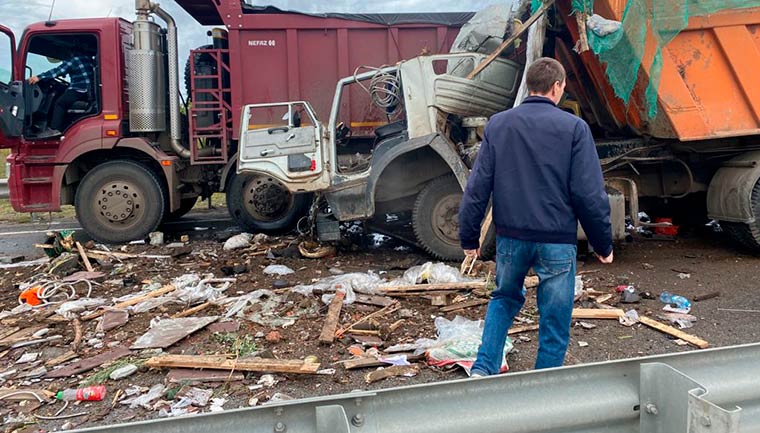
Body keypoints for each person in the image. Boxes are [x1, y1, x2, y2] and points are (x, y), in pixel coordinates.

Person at [459, 57, 614, 375]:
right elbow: (588, 194)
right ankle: (544, 387)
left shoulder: (499, 125)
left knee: (503, 298)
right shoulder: (574, 128)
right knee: (555, 317)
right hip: (557, 241)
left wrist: (469, 237)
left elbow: (477, 187)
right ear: (557, 87)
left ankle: (483, 369)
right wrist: (602, 244)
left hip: (511, 239)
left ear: (530, 86)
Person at [27, 52, 95, 137]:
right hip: (91, 91)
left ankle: (54, 129)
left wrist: (39, 77)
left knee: (60, 103)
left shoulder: (74, 60)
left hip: (80, 89)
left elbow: (58, 71)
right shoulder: (88, 59)